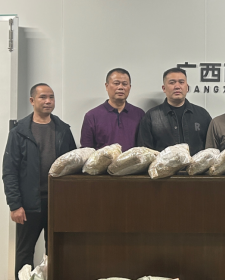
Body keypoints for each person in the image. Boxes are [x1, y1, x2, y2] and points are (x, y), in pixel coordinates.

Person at [2, 83, 76, 277]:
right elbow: (9, 171)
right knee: (24, 253)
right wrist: (15, 205)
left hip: (57, 203)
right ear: (32, 100)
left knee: (56, 251)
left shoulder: (63, 130)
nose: (48, 101)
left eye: (51, 97)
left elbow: (73, 166)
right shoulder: (19, 132)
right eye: (43, 97)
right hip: (28, 205)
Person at [137, 68, 212, 155]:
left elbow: (210, 150)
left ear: (187, 87)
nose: (177, 86)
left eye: (181, 82)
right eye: (172, 82)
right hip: (163, 164)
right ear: (164, 88)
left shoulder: (202, 115)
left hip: (196, 164)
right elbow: (145, 153)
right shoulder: (151, 117)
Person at [80, 68, 145, 152]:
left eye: (124, 84)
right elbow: (86, 151)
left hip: (132, 161)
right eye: (116, 83)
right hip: (103, 161)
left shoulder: (139, 114)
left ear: (130, 87)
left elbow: (143, 148)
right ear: (107, 86)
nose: (120, 87)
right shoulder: (92, 116)